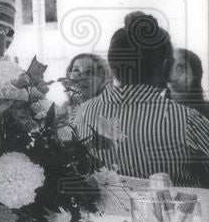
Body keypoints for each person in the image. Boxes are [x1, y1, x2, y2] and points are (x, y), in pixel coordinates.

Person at [74, 13, 209, 187]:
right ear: (166, 65)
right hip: (172, 213)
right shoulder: (186, 120)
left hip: (102, 213)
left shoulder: (81, 114)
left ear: (113, 65)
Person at [62, 53, 112, 124]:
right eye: (76, 70)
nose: (81, 77)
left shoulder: (108, 111)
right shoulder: (62, 111)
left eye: (89, 72)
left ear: (102, 78)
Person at [168, 48, 209, 121]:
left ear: (194, 75)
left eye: (180, 67)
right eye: (170, 64)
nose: (172, 71)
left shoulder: (206, 111)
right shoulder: (156, 108)